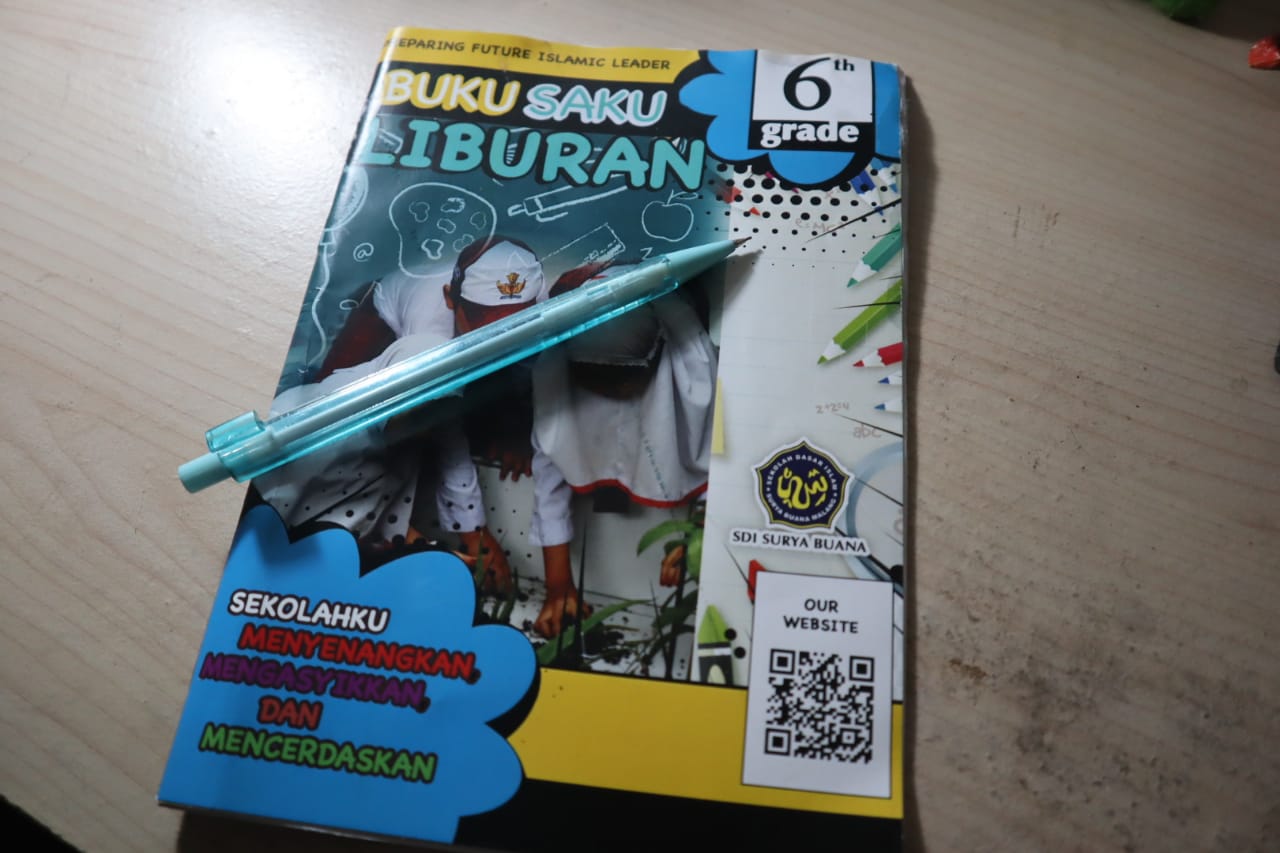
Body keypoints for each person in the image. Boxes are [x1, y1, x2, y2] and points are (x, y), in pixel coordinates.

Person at [525, 260, 719, 636]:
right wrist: (558, 585)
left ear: (660, 348)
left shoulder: (693, 372)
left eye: (624, 380)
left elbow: (712, 449)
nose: (615, 393)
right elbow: (551, 463)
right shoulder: (557, 379)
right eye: (600, 381)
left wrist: (694, 538)